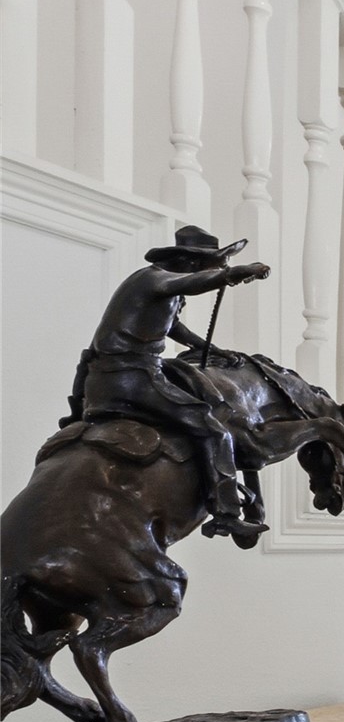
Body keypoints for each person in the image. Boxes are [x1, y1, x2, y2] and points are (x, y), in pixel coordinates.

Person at [68, 226, 270, 540]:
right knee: (212, 427)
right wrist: (233, 274)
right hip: (133, 381)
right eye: (212, 265)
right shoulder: (154, 279)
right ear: (190, 262)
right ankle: (226, 514)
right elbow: (192, 283)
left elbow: (174, 327)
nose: (216, 270)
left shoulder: (161, 290)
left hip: (109, 381)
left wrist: (210, 350)